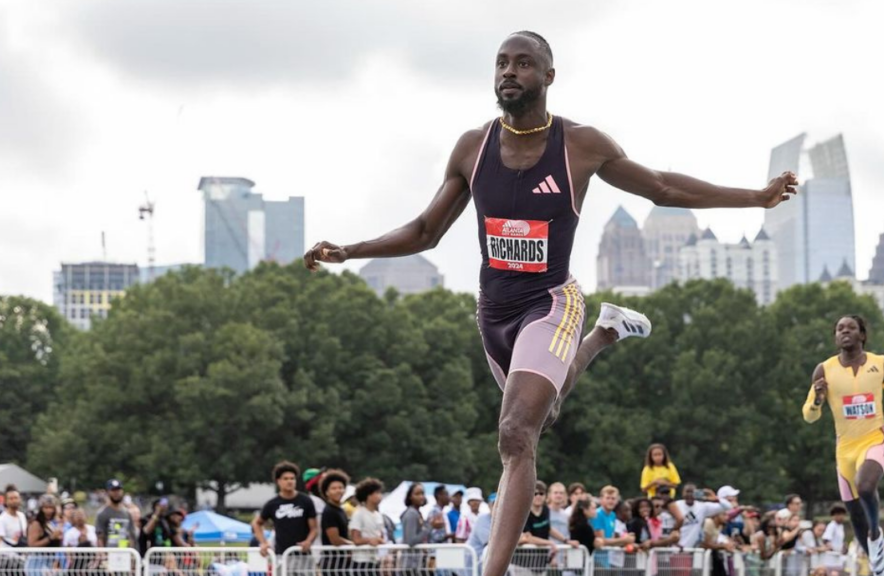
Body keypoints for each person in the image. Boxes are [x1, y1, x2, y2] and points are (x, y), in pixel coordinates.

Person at [303, 31, 798, 576]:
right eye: (501, 63)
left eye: (523, 63)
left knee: (515, 432)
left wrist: (755, 196)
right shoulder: (473, 147)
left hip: (550, 304)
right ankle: (606, 334)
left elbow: (661, 188)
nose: (509, 72)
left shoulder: (580, 146)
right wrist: (350, 250)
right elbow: (424, 230)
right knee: (543, 416)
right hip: (493, 314)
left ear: (548, 76)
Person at [803, 316, 884, 576]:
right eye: (839, 329)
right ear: (835, 337)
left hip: (875, 439)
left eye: (850, 328)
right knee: (855, 518)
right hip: (845, 451)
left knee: (866, 485)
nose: (844, 332)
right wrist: (817, 399)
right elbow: (809, 415)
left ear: (862, 335)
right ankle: (876, 566)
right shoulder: (824, 370)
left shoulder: (881, 363)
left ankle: (876, 534)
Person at [252, 461, 318, 559]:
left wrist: (308, 541)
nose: (289, 481)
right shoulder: (272, 504)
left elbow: (314, 528)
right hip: (281, 555)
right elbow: (257, 523)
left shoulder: (306, 501)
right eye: (285, 479)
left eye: (292, 478)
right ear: (278, 481)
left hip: (303, 555)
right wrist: (263, 542)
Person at [673, 485, 732, 549]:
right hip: (675, 548)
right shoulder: (676, 505)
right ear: (683, 493)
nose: (689, 495)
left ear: (697, 493)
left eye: (692, 492)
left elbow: (728, 506)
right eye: (687, 492)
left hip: (692, 550)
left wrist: (715, 498)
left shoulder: (702, 507)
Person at [349, 478, 387, 575]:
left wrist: (380, 540)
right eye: (377, 493)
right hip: (361, 561)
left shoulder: (378, 515)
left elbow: (381, 536)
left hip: (375, 559)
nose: (380, 495)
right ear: (368, 495)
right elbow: (356, 539)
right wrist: (370, 540)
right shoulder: (359, 514)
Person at [319, 469, 354, 573]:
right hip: (332, 563)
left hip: (342, 562)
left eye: (341, 487)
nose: (338, 491)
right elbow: (335, 539)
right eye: (334, 488)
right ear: (327, 492)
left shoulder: (340, 510)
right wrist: (353, 545)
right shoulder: (329, 511)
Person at [25, 494, 62, 576]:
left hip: (50, 562)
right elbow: (31, 544)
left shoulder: (51, 523)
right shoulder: (36, 523)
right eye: (46, 508)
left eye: (51, 508)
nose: (49, 511)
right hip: (37, 563)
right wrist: (50, 538)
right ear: (41, 509)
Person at [96, 479, 137, 549]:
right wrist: (103, 554)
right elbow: (100, 537)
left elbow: (131, 535)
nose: (116, 493)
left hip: (125, 552)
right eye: (113, 490)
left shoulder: (127, 513)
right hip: (110, 553)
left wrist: (132, 554)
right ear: (108, 492)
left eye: (118, 490)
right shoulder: (102, 513)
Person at [401, 483, 432, 575]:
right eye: (417, 494)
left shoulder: (417, 513)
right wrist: (430, 527)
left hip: (416, 563)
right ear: (410, 497)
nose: (421, 497)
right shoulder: (411, 514)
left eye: (422, 494)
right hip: (410, 565)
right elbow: (411, 540)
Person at [0, 485, 27, 551]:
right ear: (6, 501)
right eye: (11, 498)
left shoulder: (22, 516)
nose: (14, 501)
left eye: (16, 498)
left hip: (19, 555)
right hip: (5, 556)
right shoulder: (2, 519)